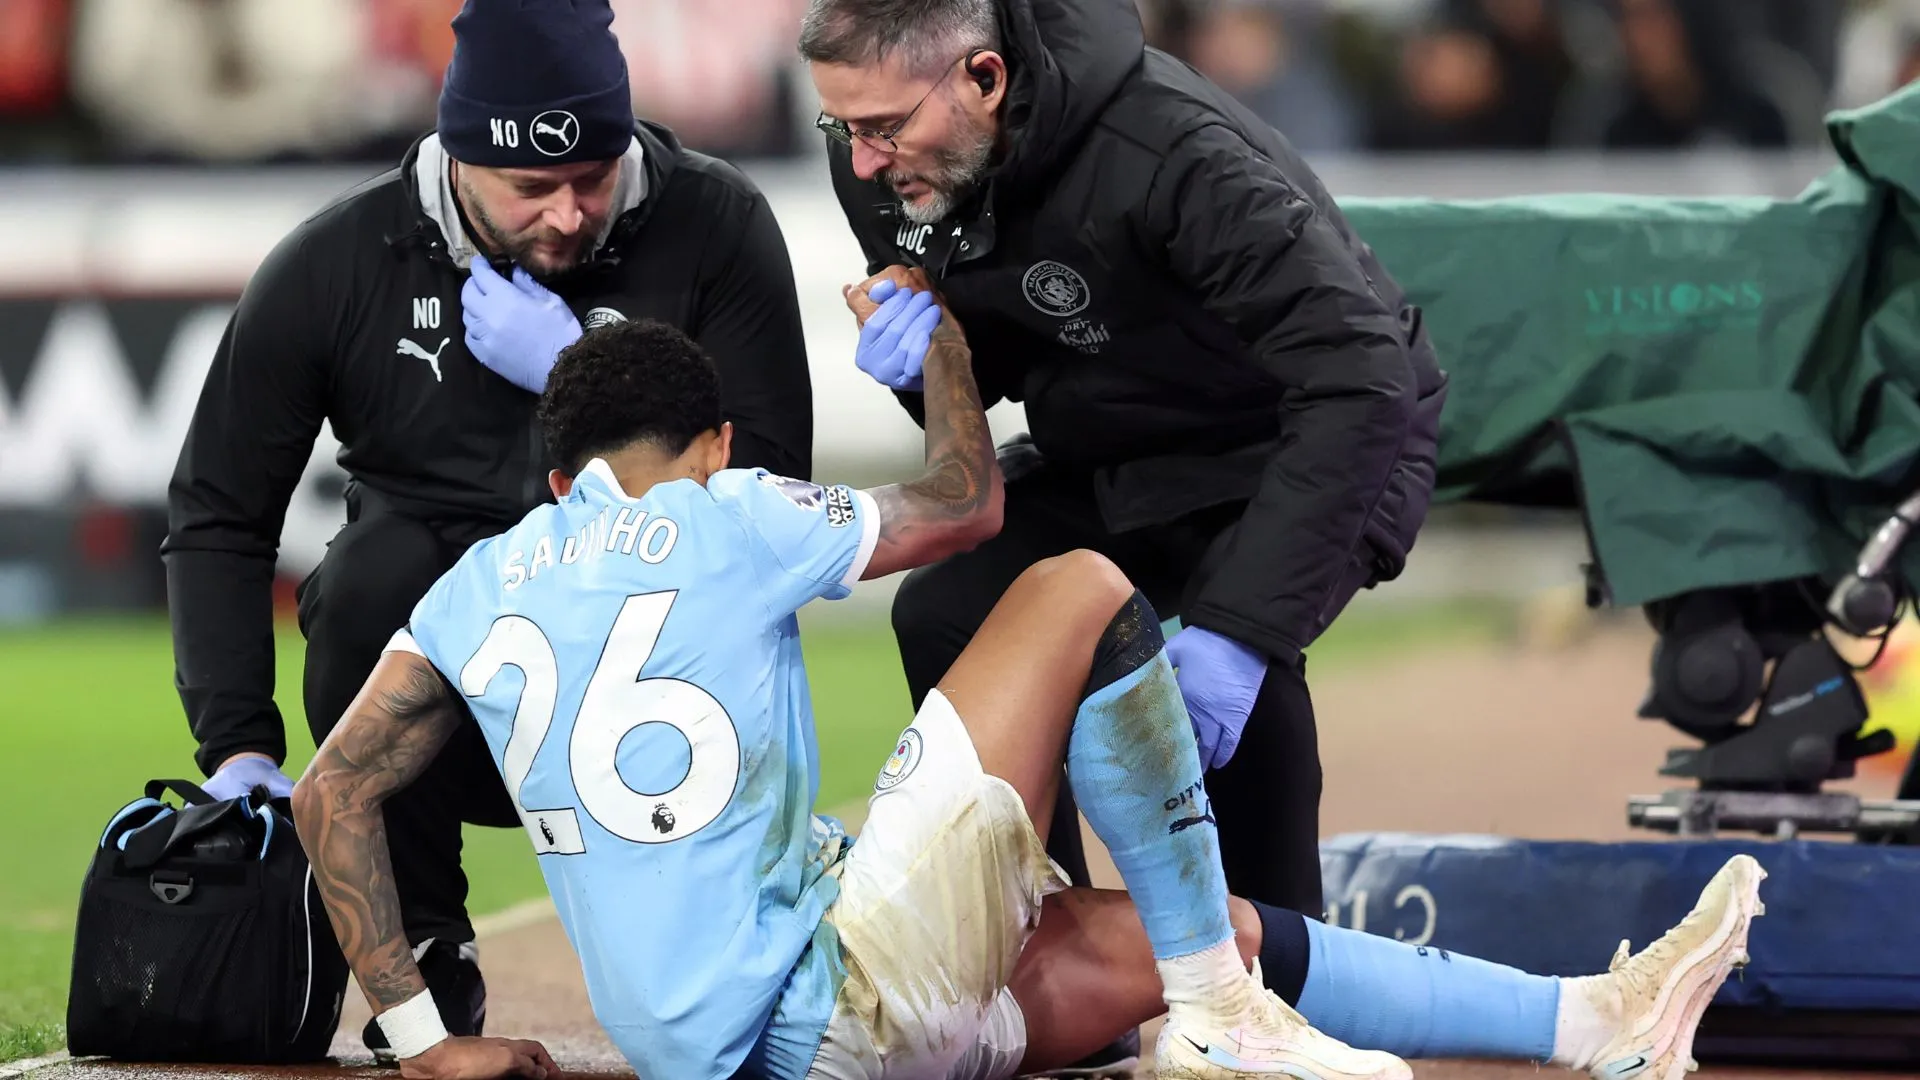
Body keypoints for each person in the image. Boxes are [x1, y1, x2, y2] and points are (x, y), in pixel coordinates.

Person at [291, 276, 1765, 1080]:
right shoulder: (727, 513)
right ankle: (1214, 1007)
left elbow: (333, 796)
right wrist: (942, 344)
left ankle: (1599, 1024)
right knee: (1076, 588)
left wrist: (423, 1044)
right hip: (840, 1003)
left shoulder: (472, 588)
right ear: (716, 445)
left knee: (1177, 931)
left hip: (779, 1052)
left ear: (556, 478)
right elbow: (969, 502)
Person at [161, 0, 811, 1059]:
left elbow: (772, 493)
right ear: (459, 157)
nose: (566, 213)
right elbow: (220, 511)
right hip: (448, 713)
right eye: (532, 189)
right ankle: (428, 959)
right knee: (373, 577)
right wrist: (236, 743)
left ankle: (745, 938)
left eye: (592, 178)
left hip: (656, 696)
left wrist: (584, 364)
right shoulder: (339, 264)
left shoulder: (718, 224)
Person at [801, 0, 1446, 1003]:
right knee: (946, 611)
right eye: (841, 128)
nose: (868, 163)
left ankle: (1280, 989)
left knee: (1231, 665)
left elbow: (1361, 380)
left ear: (985, 78)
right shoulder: (892, 159)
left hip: (1306, 435)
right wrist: (924, 363)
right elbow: (999, 353)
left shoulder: (1175, 153)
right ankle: (1049, 964)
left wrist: (1239, 634)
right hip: (1116, 446)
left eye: (883, 128)